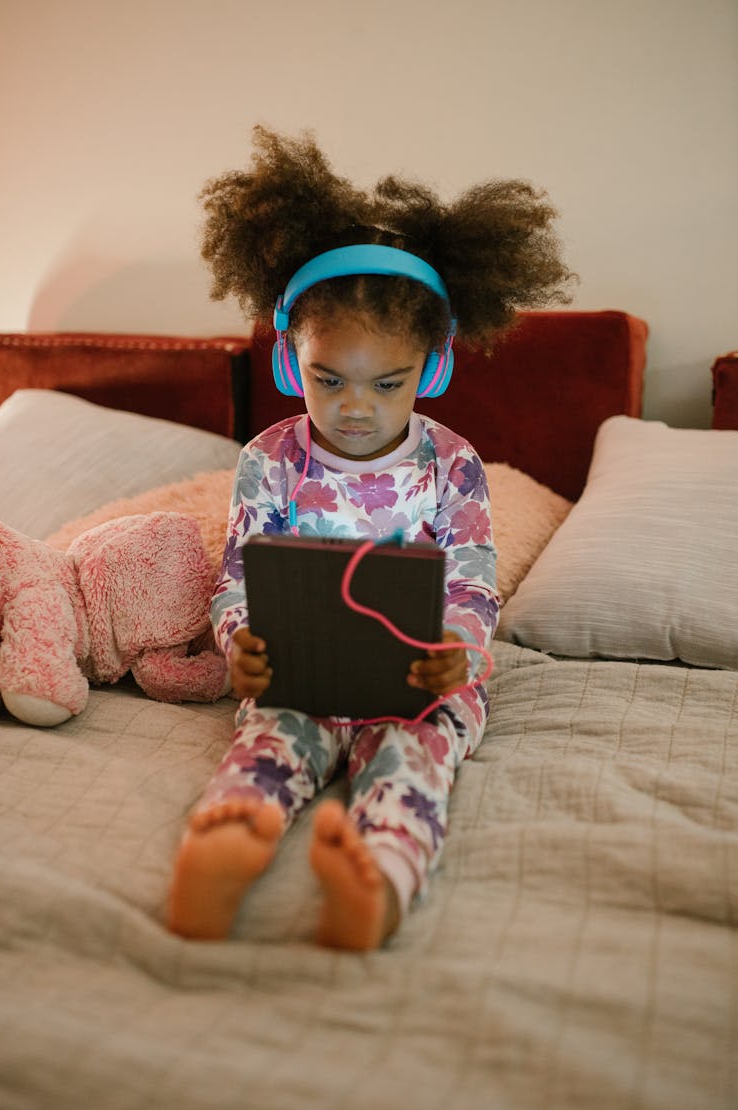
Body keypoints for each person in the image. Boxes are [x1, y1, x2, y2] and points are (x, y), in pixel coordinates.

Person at [168, 126, 574, 949]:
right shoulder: (267, 461)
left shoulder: (453, 466)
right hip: (301, 676)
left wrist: (457, 648)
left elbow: (471, 581)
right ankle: (226, 844)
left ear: (431, 367)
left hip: (421, 680)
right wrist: (241, 641)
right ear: (291, 361)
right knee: (270, 738)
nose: (355, 406)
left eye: (386, 384)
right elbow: (237, 578)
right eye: (328, 379)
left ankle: (378, 879)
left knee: (413, 756)